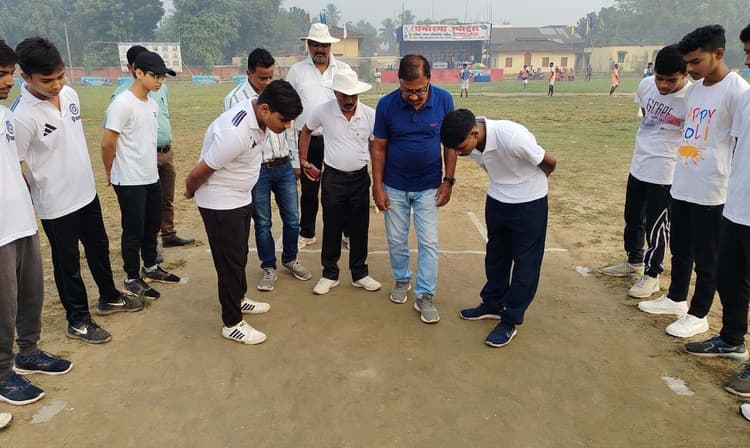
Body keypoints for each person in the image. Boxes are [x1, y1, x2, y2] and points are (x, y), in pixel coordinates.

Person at [12, 37, 144, 345]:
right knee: (67, 264)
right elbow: (15, 167)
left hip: (86, 192)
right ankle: (78, 320)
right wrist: (32, 199)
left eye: (60, 76)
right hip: (56, 204)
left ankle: (109, 297)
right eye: (47, 80)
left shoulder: (70, 95)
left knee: (99, 248)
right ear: (25, 76)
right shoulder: (20, 116)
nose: (57, 85)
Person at [184, 80, 303, 345]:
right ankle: (232, 323)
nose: (287, 126)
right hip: (220, 202)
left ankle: (239, 299)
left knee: (238, 255)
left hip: (240, 197)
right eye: (283, 120)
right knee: (229, 263)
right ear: (265, 109)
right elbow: (200, 172)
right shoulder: (235, 132)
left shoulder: (258, 117)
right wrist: (190, 191)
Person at [658, 24, 749, 338]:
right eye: (687, 63)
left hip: (712, 189)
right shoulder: (695, 90)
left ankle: (699, 314)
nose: (690, 69)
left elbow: (739, 144)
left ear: (718, 53)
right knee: (680, 248)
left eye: (696, 62)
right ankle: (676, 298)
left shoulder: (737, 92)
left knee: (707, 258)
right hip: (684, 181)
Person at [440, 109, 556, 347]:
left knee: (525, 263)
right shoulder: (471, 141)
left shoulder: (512, 137)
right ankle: (492, 304)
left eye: (461, 148)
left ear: (474, 134)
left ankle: (510, 319)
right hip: (497, 200)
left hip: (529, 204)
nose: (459, 154)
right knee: (496, 256)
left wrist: (527, 184)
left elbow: (549, 162)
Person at [0, 40, 72, 406]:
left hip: (22, 220)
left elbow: (15, 167)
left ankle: (28, 352)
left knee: (30, 294)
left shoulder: (4, 117)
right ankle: (2, 373)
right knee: (3, 304)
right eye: (1, 74)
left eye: (10, 73)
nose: (8, 81)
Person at [682, 24, 750, 397]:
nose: (747, 60)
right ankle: (732, 339)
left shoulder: (737, 92)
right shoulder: (747, 98)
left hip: (725, 198)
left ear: (717, 54)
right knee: (730, 276)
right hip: (736, 204)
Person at [371, 54, 455, 324]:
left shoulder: (444, 100)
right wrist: (377, 185)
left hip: (429, 186)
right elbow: (379, 147)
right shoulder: (386, 105)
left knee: (428, 241)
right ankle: (401, 279)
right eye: (408, 91)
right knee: (396, 240)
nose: (415, 97)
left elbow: (450, 144)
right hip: (394, 185)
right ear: (399, 83)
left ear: (429, 79)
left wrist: (448, 180)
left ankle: (425, 295)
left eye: (420, 90)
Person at [602, 45, 690, 301]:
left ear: (684, 74)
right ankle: (634, 261)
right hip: (640, 163)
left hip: (665, 171)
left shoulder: (691, 97)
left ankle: (652, 274)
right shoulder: (646, 85)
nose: (663, 85)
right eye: (659, 78)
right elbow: (645, 115)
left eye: (671, 80)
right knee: (633, 217)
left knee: (657, 226)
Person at [224, 48, 311, 291]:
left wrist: (295, 162)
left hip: (283, 166)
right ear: (249, 73)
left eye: (271, 76)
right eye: (262, 77)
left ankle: (291, 258)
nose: (267, 82)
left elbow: (290, 129)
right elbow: (233, 137)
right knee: (262, 222)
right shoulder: (234, 99)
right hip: (258, 170)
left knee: (293, 219)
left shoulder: (278, 93)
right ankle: (268, 266)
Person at [102, 51, 183, 300]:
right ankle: (131, 277)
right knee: (133, 230)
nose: (159, 81)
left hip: (150, 176)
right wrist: (109, 170)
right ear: (138, 73)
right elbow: (107, 143)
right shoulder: (122, 103)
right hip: (129, 179)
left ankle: (150, 267)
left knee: (151, 225)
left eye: (162, 77)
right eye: (154, 76)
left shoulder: (152, 104)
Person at [299, 68, 381, 295]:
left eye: (352, 96)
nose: (348, 100)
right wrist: (303, 159)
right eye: (344, 95)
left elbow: (375, 147)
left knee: (360, 227)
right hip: (333, 179)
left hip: (360, 179)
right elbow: (306, 131)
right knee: (332, 225)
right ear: (335, 93)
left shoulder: (370, 114)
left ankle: (360, 274)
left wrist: (378, 181)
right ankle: (329, 274)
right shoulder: (323, 111)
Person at [111, 46, 194, 250]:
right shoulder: (121, 96)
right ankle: (149, 246)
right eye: (153, 73)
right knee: (144, 208)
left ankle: (168, 234)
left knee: (165, 199)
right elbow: (111, 137)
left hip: (165, 151)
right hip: (142, 158)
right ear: (133, 69)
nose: (158, 79)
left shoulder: (160, 88)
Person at [286, 23, 352, 249]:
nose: (319, 49)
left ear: (330, 46)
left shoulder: (343, 70)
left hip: (337, 140)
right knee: (309, 191)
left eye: (324, 45)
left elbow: (352, 106)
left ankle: (347, 232)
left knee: (340, 190)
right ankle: (307, 232)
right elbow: (288, 112)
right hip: (307, 140)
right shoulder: (297, 71)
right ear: (308, 45)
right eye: (315, 44)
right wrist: (295, 157)